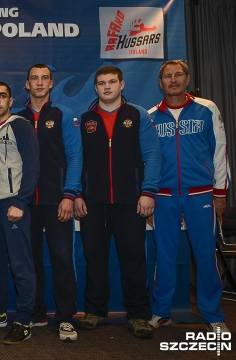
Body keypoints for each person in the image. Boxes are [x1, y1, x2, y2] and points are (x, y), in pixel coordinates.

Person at [74, 65, 160, 339]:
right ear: (96, 87)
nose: (107, 87)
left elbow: (153, 155)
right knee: (94, 259)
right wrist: (76, 193)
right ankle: (95, 312)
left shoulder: (138, 115)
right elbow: (76, 161)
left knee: (134, 259)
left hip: (130, 202)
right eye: (101, 83)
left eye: (112, 82)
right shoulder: (85, 119)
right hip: (93, 203)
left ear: (122, 85)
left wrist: (148, 191)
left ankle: (138, 316)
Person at [148, 60, 230, 334]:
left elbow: (220, 151)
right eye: (167, 76)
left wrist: (220, 192)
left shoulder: (207, 109)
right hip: (163, 196)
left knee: (206, 255)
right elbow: (146, 159)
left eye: (178, 75)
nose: (173, 80)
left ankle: (213, 313)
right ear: (160, 83)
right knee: (165, 256)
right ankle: (161, 312)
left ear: (187, 79)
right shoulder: (150, 117)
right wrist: (148, 193)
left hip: (201, 194)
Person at [14, 65, 82, 342]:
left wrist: (69, 195)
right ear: (27, 84)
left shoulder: (63, 115)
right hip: (25, 204)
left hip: (57, 202)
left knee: (62, 259)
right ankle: (36, 312)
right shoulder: (17, 119)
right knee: (29, 262)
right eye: (34, 79)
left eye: (44, 78)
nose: (39, 83)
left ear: (52, 83)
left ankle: (65, 317)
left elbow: (75, 157)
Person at [0, 82, 40, 345]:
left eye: (2, 96)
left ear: (10, 101)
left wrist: (21, 201)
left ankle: (24, 319)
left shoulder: (20, 125)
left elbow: (32, 167)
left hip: (13, 204)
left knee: (20, 264)